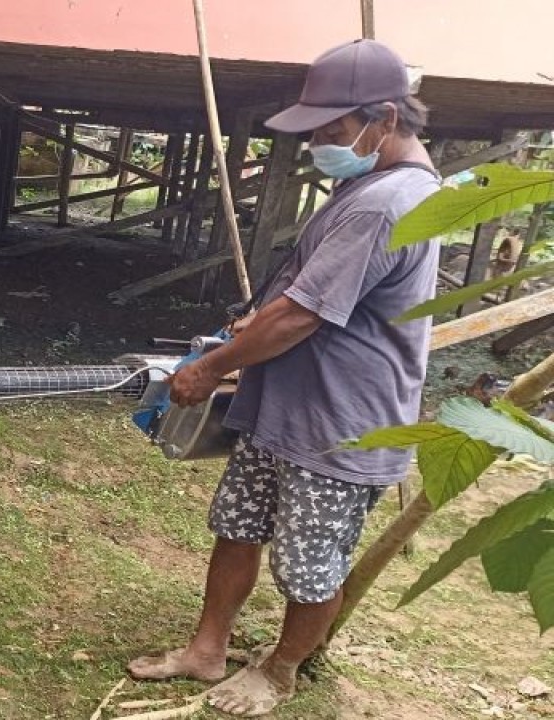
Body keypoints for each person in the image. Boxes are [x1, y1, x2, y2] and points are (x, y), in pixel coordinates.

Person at [128, 39, 441, 717]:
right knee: (237, 524)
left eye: (333, 132)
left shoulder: (384, 204)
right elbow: (301, 292)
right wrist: (251, 326)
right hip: (288, 407)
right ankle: (207, 649)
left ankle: (281, 671)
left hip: (339, 426)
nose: (321, 146)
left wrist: (209, 370)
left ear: (384, 119)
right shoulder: (366, 185)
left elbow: (301, 318)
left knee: (308, 562)